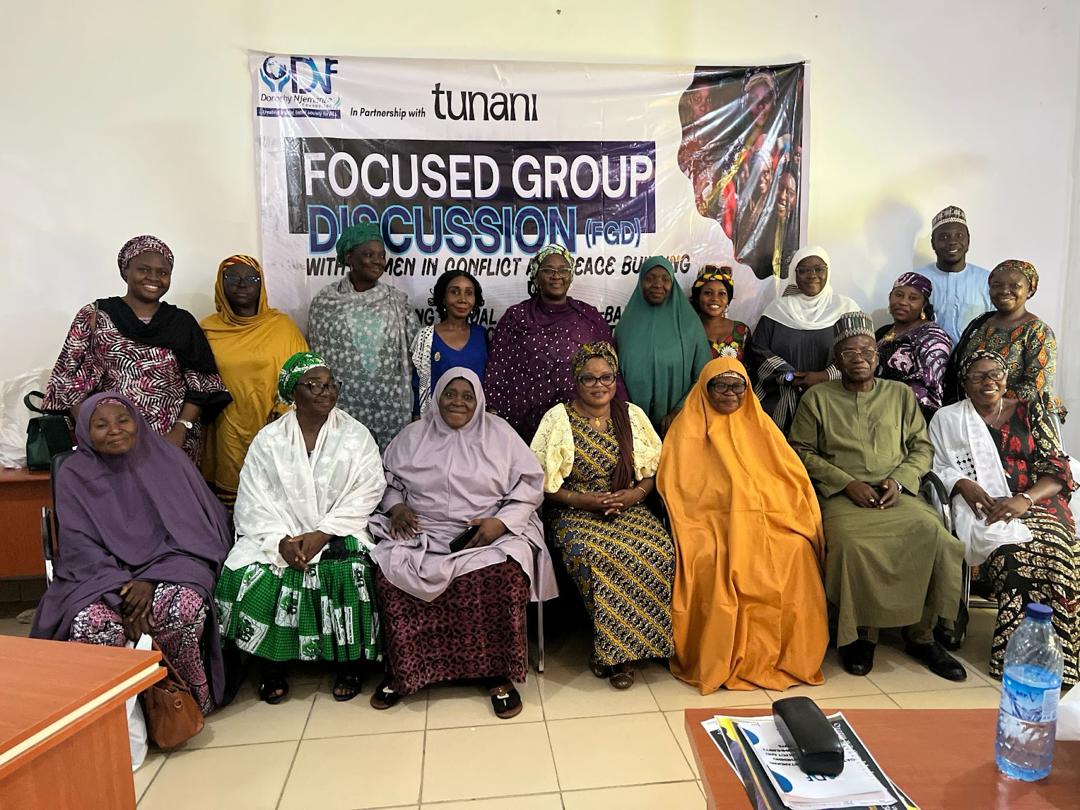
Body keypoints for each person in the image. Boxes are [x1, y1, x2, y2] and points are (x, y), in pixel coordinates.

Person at [368, 369, 558, 718]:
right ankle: (403, 672)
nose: (458, 402)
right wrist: (396, 508)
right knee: (389, 576)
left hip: (487, 532)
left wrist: (501, 523)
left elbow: (530, 485)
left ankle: (497, 675)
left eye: (467, 396)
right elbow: (386, 482)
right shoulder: (412, 436)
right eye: (450, 394)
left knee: (504, 577)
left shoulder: (500, 435)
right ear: (437, 397)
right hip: (422, 531)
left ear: (479, 401)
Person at [789, 312, 967, 680]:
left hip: (897, 496)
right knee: (850, 545)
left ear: (877, 355)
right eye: (850, 352)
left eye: (867, 351)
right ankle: (859, 635)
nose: (860, 358)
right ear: (837, 359)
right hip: (843, 499)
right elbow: (800, 450)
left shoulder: (899, 394)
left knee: (934, 535)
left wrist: (899, 481)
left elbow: (921, 447)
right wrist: (845, 483)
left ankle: (921, 635)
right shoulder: (817, 398)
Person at [31, 392, 231, 714]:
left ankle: (186, 706)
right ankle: (113, 717)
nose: (115, 430)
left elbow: (194, 532)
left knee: (179, 611)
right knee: (91, 624)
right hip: (99, 577)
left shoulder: (166, 460)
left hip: (172, 565)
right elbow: (79, 547)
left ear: (137, 422)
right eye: (101, 425)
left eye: (123, 420)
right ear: (85, 431)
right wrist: (121, 589)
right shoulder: (74, 474)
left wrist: (149, 581)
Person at [214, 352, 386, 704]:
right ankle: (271, 665)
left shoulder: (356, 435)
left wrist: (322, 533)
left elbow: (368, 489)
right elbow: (253, 498)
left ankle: (350, 664)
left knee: (352, 571)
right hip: (280, 533)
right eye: (315, 385)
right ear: (294, 392)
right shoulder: (269, 440)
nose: (326, 392)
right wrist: (281, 541)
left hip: (339, 529)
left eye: (331, 385)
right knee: (250, 574)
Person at [658, 357, 828, 693]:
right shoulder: (686, 427)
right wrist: (722, 512)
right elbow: (678, 488)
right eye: (720, 385)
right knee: (712, 558)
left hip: (770, 516)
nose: (729, 393)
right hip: (707, 521)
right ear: (704, 389)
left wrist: (771, 510)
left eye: (737, 386)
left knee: (795, 550)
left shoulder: (761, 424)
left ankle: (785, 656)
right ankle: (725, 656)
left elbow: (788, 476)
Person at [531, 342, 675, 689]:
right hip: (573, 509)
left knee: (658, 549)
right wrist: (584, 501)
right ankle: (615, 656)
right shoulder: (558, 418)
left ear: (615, 378)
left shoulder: (631, 415)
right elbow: (542, 483)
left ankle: (648, 644)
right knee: (597, 554)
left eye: (606, 377)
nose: (599, 385)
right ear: (576, 380)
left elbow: (653, 471)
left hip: (628, 503)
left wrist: (635, 494)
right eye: (589, 378)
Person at [929, 352, 1078, 684]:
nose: (988, 381)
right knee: (1012, 557)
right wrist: (962, 482)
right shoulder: (948, 418)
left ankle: (1059, 659)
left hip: (1039, 502)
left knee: (1056, 554)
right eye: (978, 376)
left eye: (995, 374)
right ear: (965, 382)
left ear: (1006, 379)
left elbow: (1058, 470)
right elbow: (937, 465)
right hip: (987, 506)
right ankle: (1014, 658)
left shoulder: (1030, 411)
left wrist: (1025, 499)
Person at [44, 235, 231, 462]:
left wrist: (181, 428)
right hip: (110, 443)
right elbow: (67, 379)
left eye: (163, 272)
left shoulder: (181, 322)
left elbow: (204, 383)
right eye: (143, 269)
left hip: (171, 443)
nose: (153, 278)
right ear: (126, 271)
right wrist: (91, 430)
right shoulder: (95, 316)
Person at [485, 244, 625, 440]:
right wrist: (492, 410)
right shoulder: (516, 317)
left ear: (571, 275)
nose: (556, 276)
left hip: (581, 424)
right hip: (524, 427)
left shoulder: (589, 316)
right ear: (536, 275)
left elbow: (611, 368)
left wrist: (621, 411)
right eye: (548, 270)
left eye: (563, 270)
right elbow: (498, 367)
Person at [200, 255, 308, 506]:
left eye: (251, 278)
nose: (242, 284)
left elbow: (302, 373)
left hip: (274, 423)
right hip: (225, 426)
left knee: (272, 496)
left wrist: (284, 410)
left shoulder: (282, 327)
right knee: (231, 501)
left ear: (262, 285)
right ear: (220, 284)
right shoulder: (207, 329)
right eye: (232, 278)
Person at [307, 222, 418, 451]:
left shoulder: (398, 302)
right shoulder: (326, 302)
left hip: (389, 411)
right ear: (349, 258)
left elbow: (418, 354)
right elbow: (317, 361)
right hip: (341, 408)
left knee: (387, 467)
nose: (378, 261)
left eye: (381, 255)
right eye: (368, 254)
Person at [748, 246, 858, 432]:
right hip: (782, 399)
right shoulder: (777, 309)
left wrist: (825, 376)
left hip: (835, 399)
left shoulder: (846, 309)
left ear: (828, 271)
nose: (812, 275)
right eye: (803, 270)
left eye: (819, 269)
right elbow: (759, 351)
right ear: (794, 274)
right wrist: (791, 377)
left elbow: (859, 351)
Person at [949, 260, 1065, 420]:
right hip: (968, 415)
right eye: (996, 285)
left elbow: (1036, 387)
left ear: (1030, 290)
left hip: (1014, 419)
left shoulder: (1037, 331)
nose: (1004, 291)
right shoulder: (980, 322)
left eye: (1015, 286)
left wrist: (985, 400)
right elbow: (958, 369)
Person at [614, 256, 711, 434]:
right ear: (640, 282)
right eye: (650, 278)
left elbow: (704, 376)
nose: (658, 284)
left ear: (673, 283)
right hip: (632, 426)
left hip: (678, 424)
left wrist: (678, 411)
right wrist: (629, 415)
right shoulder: (625, 327)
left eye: (665, 279)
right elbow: (614, 375)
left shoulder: (690, 325)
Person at [875, 272, 952, 419]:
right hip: (874, 411)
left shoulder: (933, 336)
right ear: (890, 297)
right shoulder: (882, 332)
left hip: (908, 418)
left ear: (923, 305)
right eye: (898, 295)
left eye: (913, 298)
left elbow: (927, 390)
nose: (903, 302)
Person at [411, 270, 488, 416]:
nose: (462, 299)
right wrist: (419, 421)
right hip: (436, 421)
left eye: (469, 293)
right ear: (443, 298)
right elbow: (420, 386)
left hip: (475, 420)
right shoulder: (426, 336)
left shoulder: (481, 334)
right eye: (454, 292)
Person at [914, 206, 991, 345]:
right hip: (924, 356)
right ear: (933, 243)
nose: (952, 242)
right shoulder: (916, 280)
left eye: (959, 235)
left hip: (973, 357)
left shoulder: (987, 281)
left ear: (968, 240)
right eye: (944, 237)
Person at [689, 265, 753, 361]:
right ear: (698, 297)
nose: (715, 298)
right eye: (708, 293)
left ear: (728, 299)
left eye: (722, 293)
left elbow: (750, 366)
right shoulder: (687, 331)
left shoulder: (742, 330)